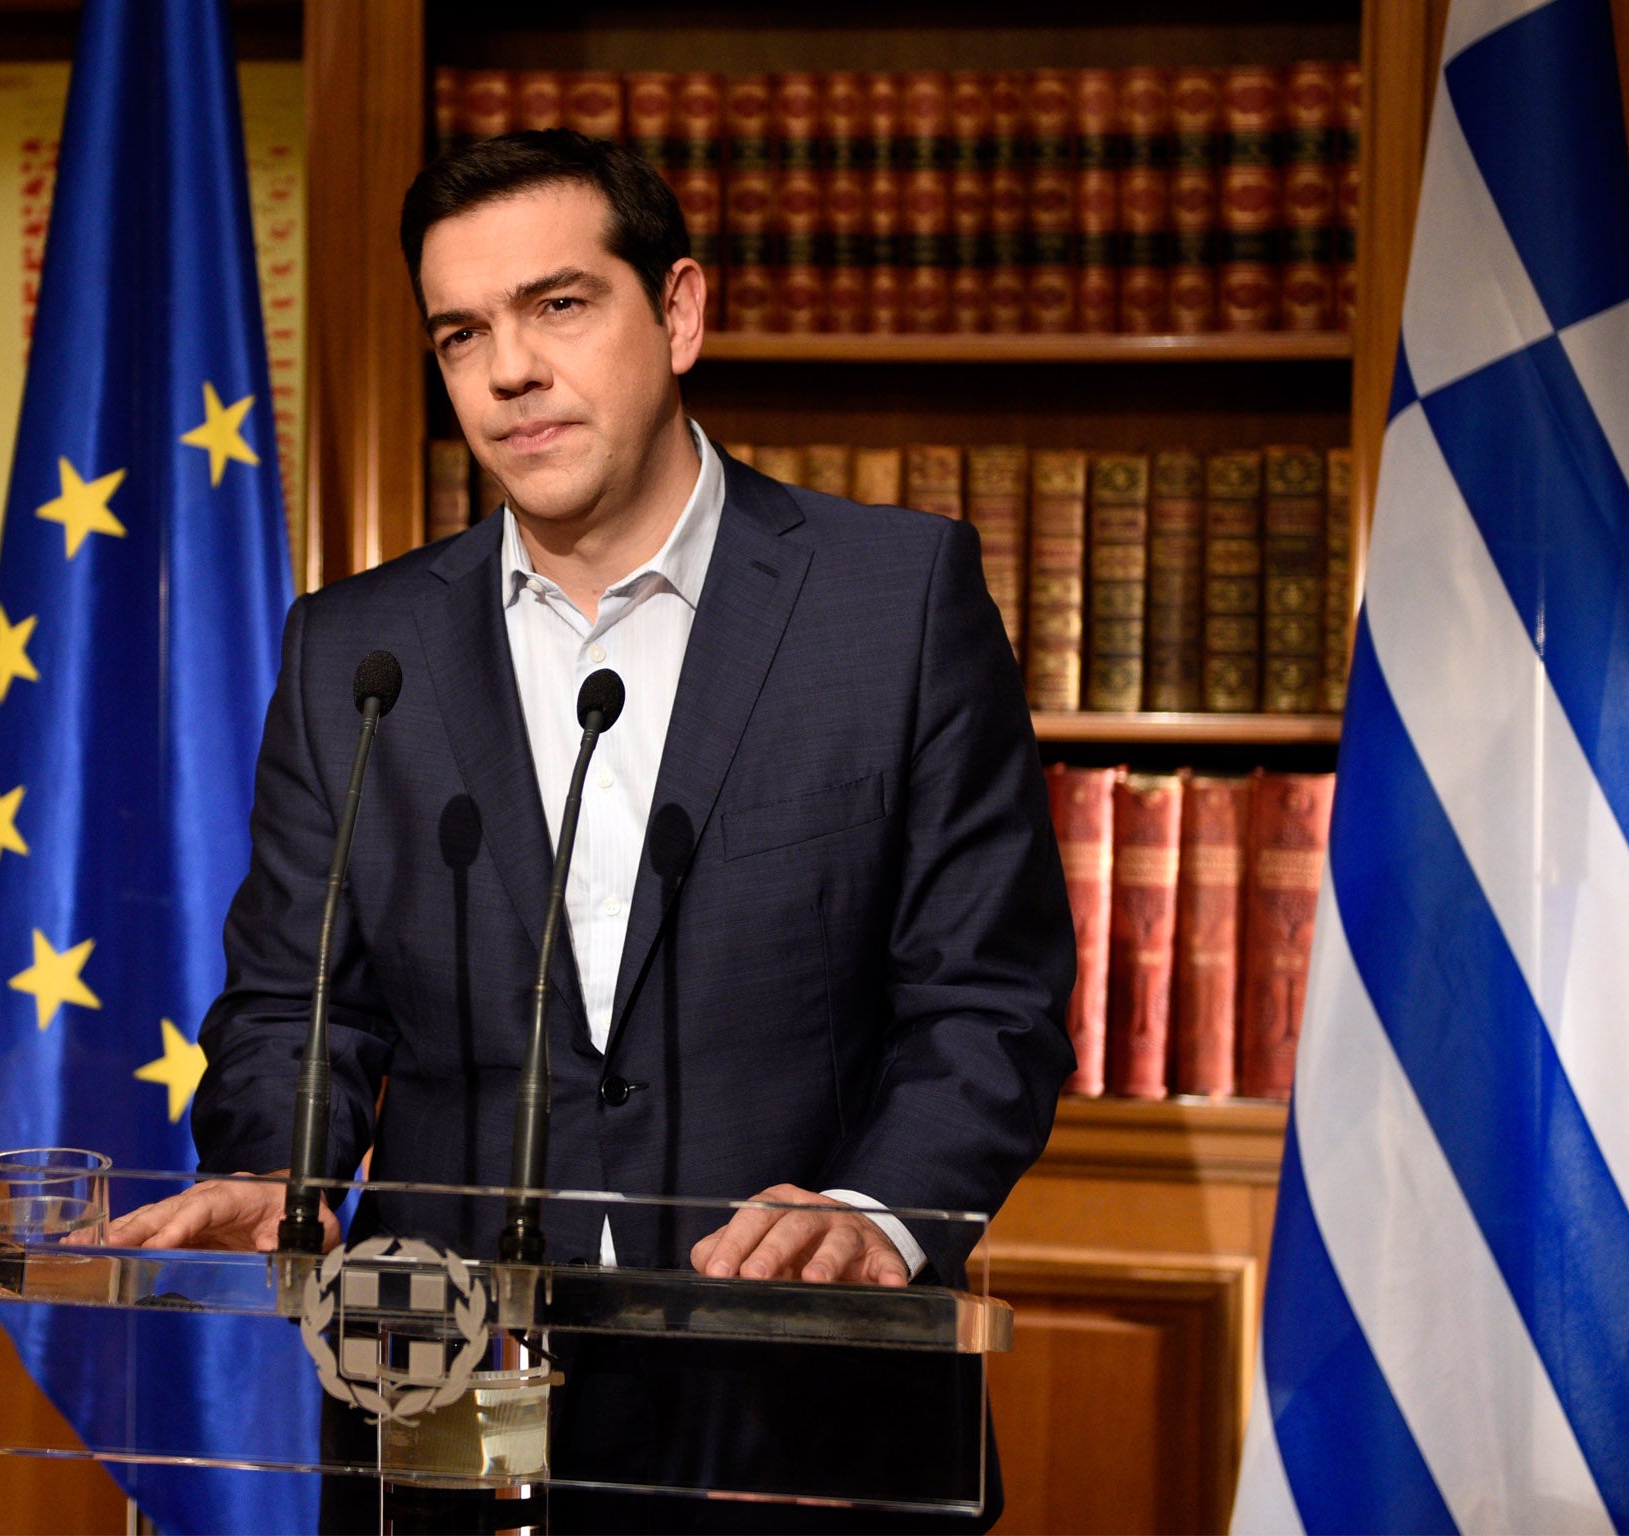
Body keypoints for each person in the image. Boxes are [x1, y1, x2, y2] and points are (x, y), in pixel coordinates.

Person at [109, 129, 1075, 1532]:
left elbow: (991, 999)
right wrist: (278, 1167)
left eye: (558, 306)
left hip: (800, 1403)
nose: (509, 370)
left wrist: (875, 1212)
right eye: (462, 334)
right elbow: (294, 1005)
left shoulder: (894, 600)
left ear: (679, 310)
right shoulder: (358, 652)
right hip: (447, 1408)